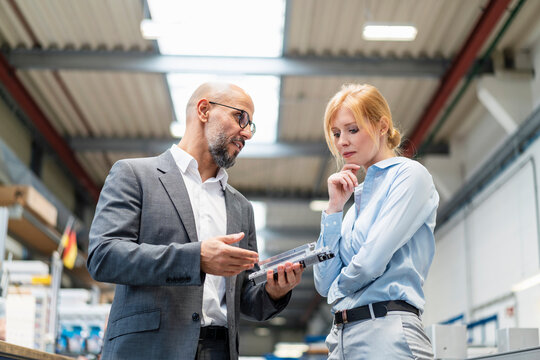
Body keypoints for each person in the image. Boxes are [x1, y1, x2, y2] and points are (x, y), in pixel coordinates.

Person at [87, 82, 304, 360]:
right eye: (241, 118)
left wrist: (274, 291)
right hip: (149, 350)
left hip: (219, 351)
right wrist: (196, 259)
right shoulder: (134, 175)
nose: (247, 133)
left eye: (252, 125)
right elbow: (103, 256)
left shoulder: (240, 207)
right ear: (204, 110)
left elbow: (245, 298)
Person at [314, 83, 439, 359]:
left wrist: (336, 291)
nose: (342, 141)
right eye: (336, 133)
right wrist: (334, 207)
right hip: (341, 338)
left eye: (352, 129)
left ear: (382, 126)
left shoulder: (409, 176)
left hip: (386, 333)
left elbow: (370, 262)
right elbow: (322, 282)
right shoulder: (353, 204)